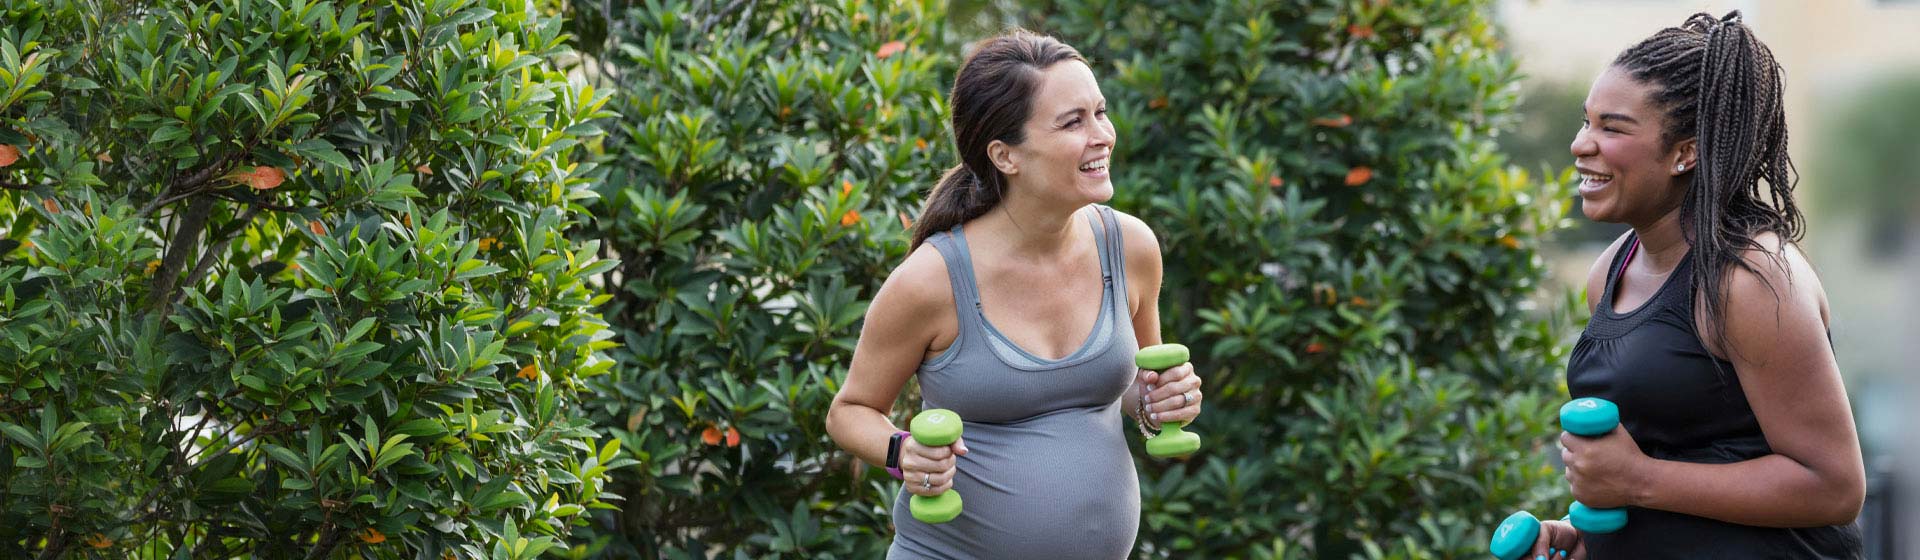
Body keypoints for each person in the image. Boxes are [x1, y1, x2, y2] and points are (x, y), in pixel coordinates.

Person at [824, 30, 1204, 559]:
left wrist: (1159, 402)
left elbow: (1132, 389)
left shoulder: (1130, 248)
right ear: (1005, 156)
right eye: (1073, 122)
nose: (1102, 135)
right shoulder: (931, 281)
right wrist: (901, 451)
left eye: (1100, 112)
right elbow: (849, 411)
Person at [1530, 11, 1865, 559]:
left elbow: (1833, 486)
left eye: (1612, 128)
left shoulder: (1751, 279)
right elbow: (1670, 457)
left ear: (1685, 153)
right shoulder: (1612, 270)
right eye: (1586, 122)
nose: (1581, 144)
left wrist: (1636, 480)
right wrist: (1585, 535)